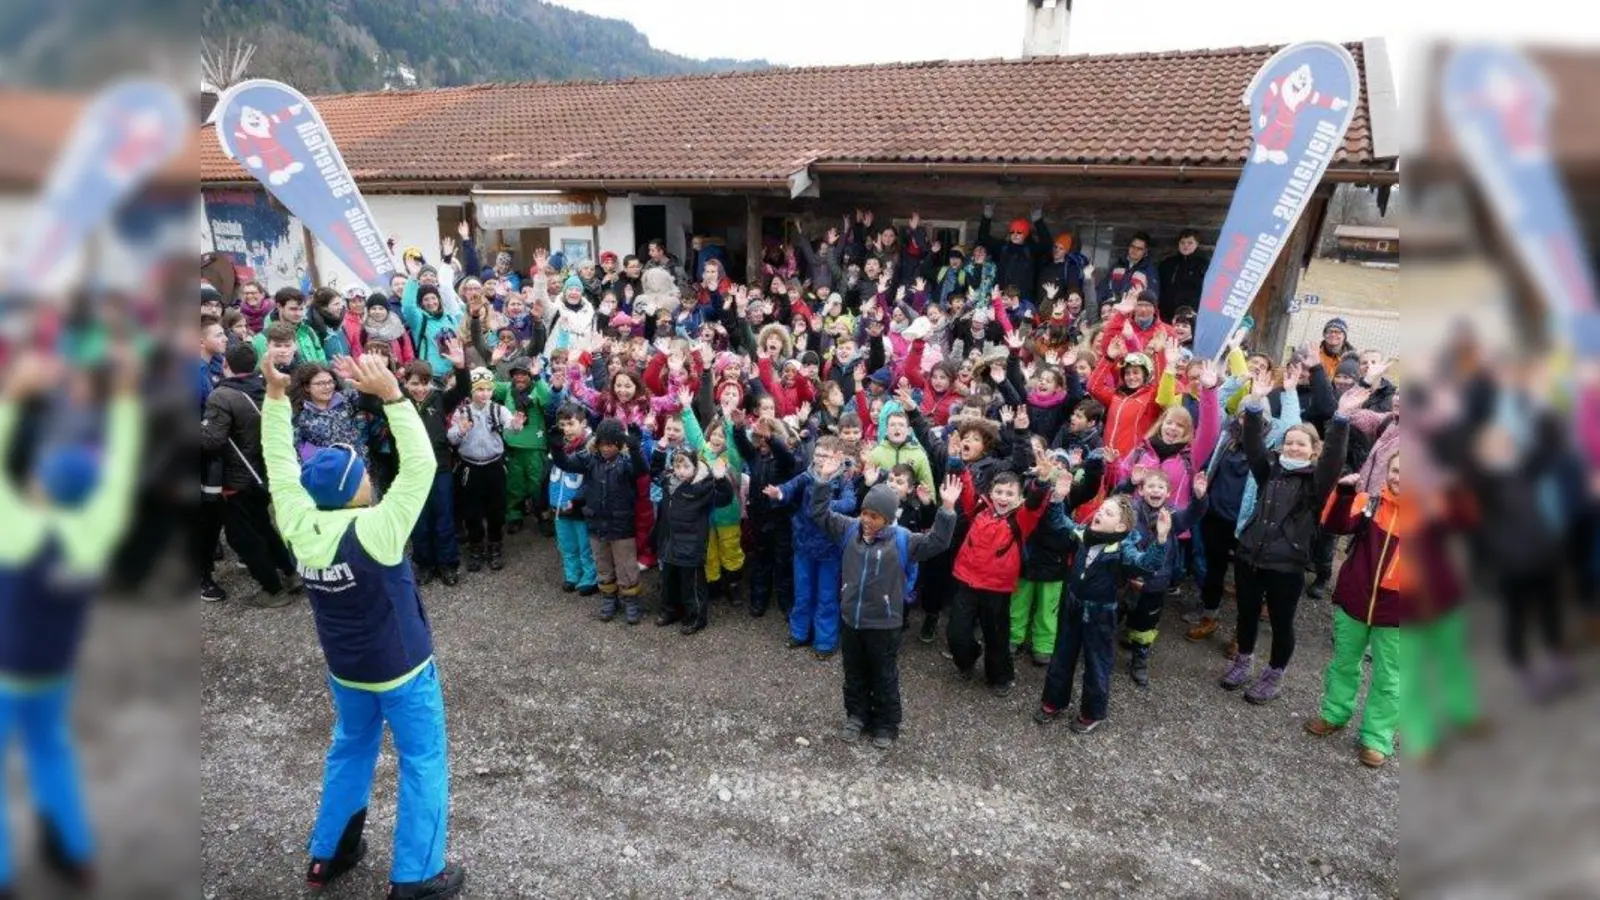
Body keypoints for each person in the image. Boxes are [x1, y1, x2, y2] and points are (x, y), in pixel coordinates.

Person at [258, 353, 466, 900]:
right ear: (357, 490)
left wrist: (276, 399)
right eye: (365, 475)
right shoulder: (377, 528)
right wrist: (394, 398)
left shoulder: (299, 523)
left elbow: (279, 465)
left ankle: (332, 852)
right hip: (402, 668)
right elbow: (421, 467)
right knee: (422, 759)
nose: (373, 479)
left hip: (345, 669)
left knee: (350, 748)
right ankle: (419, 876)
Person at [0, 350, 140, 898]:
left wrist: (13, 398)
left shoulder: (16, 531)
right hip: (54, 671)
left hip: (6, 669)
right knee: (50, 752)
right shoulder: (96, 532)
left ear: (39, 486)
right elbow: (121, 473)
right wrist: (126, 402)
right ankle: (77, 855)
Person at [810, 457, 960, 749]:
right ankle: (856, 715)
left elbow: (939, 543)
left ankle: (887, 723)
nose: (867, 520)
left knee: (884, 675)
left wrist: (947, 509)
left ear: (888, 518)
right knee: (854, 672)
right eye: (865, 512)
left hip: (885, 623)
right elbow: (819, 514)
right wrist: (823, 481)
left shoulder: (904, 540)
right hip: (851, 619)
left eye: (875, 516)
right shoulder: (849, 529)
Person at [1220, 384, 1349, 704]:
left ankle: (1274, 673)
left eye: (1301, 444)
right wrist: (1252, 407)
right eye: (1289, 442)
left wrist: (1342, 420)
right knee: (1246, 614)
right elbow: (1253, 446)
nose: (1293, 448)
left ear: (1313, 450)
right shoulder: (1270, 470)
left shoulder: (1316, 483)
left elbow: (1334, 459)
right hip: (1250, 555)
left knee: (1280, 622)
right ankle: (1243, 661)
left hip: (1286, 565)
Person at [1034, 494, 1172, 734]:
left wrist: (1160, 539)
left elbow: (1147, 564)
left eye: (1108, 513)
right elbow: (1060, 523)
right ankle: (1054, 701)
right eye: (1100, 509)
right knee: (1062, 655)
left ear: (1121, 526)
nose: (1099, 514)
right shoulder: (1084, 534)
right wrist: (1057, 498)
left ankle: (1092, 712)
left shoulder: (1122, 549)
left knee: (1097, 663)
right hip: (1073, 604)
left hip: (1100, 614)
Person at [1303, 460, 1402, 768]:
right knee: (1344, 663)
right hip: (1355, 600)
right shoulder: (1370, 504)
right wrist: (1345, 492)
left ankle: (1376, 737)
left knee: (1390, 679)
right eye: (1397, 469)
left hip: (1400, 612)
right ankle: (1334, 713)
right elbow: (1334, 525)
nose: (1402, 477)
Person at [200, 342, 303, 607]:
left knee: (243, 536)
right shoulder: (266, 386)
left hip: (236, 477)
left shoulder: (221, 396)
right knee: (264, 526)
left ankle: (272, 589)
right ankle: (291, 573)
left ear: (225, 365)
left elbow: (213, 441)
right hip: (265, 471)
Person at [550, 418, 648, 624]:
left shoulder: (626, 463)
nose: (606, 448)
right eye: (602, 444)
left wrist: (636, 448)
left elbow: (642, 470)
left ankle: (630, 599)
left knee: (626, 565)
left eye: (611, 444)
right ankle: (608, 597)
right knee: (602, 563)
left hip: (621, 525)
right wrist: (556, 445)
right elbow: (565, 463)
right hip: (596, 523)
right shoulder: (590, 460)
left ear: (619, 445)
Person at [400, 352, 470, 587]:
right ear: (405, 382)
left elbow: (462, 390)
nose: (420, 389)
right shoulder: (397, 401)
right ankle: (424, 564)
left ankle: (448, 564)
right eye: (414, 383)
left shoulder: (440, 399)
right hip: (411, 472)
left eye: (425, 383)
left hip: (440, 469)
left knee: (443, 518)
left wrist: (461, 367)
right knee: (419, 520)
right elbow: (370, 402)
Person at [448, 367, 524, 573]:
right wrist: (460, 431)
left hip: (494, 465)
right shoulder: (462, 412)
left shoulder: (498, 410)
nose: (484, 394)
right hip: (470, 467)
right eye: (479, 389)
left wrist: (517, 424)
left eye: (488, 389)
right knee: (472, 510)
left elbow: (512, 426)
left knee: (496, 509)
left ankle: (495, 545)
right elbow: (451, 437)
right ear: (471, 390)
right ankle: (475, 547)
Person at [652, 448, 735, 634]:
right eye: (677, 465)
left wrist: (721, 480)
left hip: (691, 545)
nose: (681, 470)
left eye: (686, 466)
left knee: (692, 585)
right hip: (670, 543)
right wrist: (659, 450)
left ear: (695, 466)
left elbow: (725, 499)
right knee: (669, 581)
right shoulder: (668, 482)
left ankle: (696, 617)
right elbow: (653, 472)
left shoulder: (704, 486)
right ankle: (669, 611)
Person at [251, 287, 327, 366]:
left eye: (301, 309)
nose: (299, 314)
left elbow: (322, 360)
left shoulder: (308, 331)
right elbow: (261, 370)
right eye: (293, 309)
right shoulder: (263, 338)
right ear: (279, 306)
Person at [1156, 228, 1209, 323]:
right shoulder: (1167, 263)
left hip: (1189, 315)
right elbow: (1159, 287)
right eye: (1183, 242)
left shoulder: (1203, 265)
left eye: (1190, 243)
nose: (1186, 246)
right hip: (1166, 314)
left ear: (1197, 244)